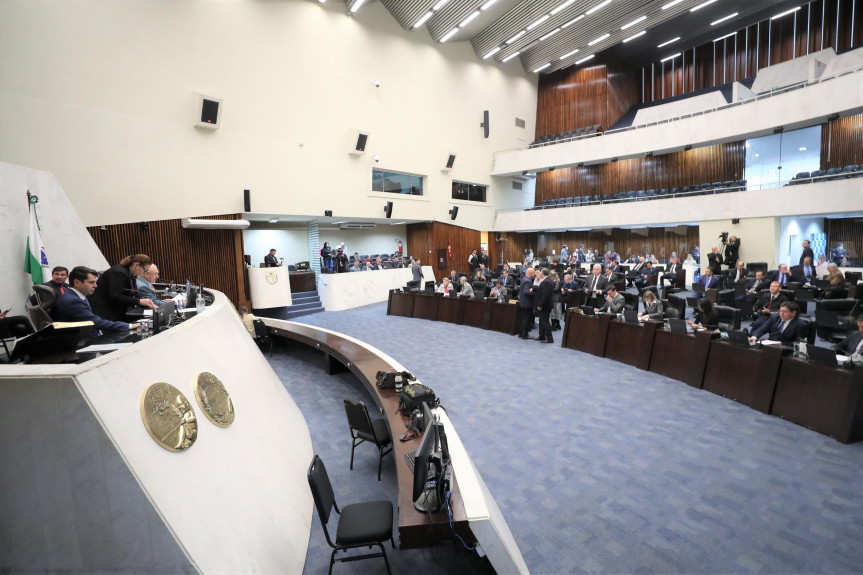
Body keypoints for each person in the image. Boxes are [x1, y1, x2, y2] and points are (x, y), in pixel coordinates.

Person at [53, 266, 141, 333]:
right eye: (91, 282)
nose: (96, 285)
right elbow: (96, 322)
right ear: (77, 283)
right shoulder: (72, 301)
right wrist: (130, 326)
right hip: (83, 342)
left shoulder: (78, 296)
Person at [89, 254, 156, 321]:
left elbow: (134, 294)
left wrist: (146, 302)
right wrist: (139, 301)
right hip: (104, 312)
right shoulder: (118, 272)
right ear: (136, 265)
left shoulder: (131, 275)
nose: (143, 273)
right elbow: (115, 296)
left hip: (118, 311)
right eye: (144, 270)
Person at [533, 268, 554, 343]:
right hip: (545, 305)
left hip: (545, 306)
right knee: (542, 321)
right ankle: (541, 336)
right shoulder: (547, 281)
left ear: (542, 274)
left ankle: (549, 338)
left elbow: (545, 295)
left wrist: (540, 305)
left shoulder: (546, 282)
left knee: (545, 322)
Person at [517, 268, 536, 339]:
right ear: (530, 273)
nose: (534, 274)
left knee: (524, 318)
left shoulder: (524, 278)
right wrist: (535, 293)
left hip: (524, 302)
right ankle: (525, 335)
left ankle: (521, 333)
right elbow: (526, 292)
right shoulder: (528, 281)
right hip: (527, 303)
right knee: (526, 319)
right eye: (533, 273)